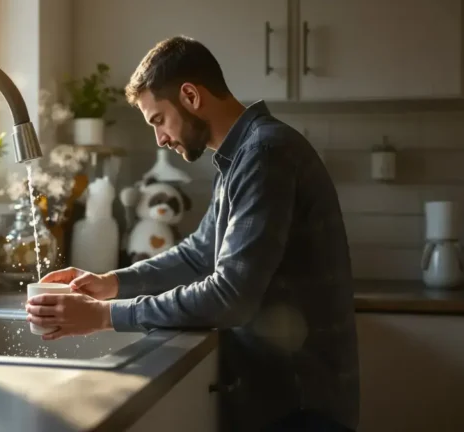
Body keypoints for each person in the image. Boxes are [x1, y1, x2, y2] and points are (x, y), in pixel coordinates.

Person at [26, 35, 359, 432]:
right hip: (282, 397)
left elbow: (230, 297)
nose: (160, 139)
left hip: (301, 405)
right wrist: (109, 283)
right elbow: (198, 254)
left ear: (190, 96)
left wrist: (104, 316)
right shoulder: (242, 156)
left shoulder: (265, 154)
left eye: (158, 120)